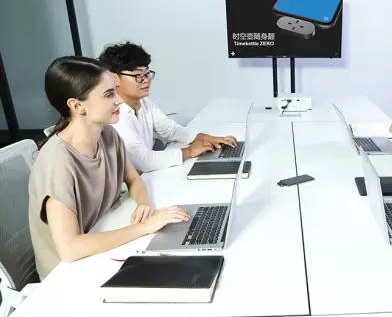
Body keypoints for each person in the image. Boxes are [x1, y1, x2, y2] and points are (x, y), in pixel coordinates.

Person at [29, 56, 190, 280]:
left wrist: (143, 204)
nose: (119, 100)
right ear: (77, 106)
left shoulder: (107, 134)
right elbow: (70, 249)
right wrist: (145, 227)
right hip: (68, 274)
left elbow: (133, 179)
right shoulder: (58, 161)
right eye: (108, 95)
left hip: (104, 242)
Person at [98, 42, 237, 173]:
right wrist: (189, 151)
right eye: (138, 76)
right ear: (115, 78)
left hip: (145, 176)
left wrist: (206, 139)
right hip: (123, 186)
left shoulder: (144, 102)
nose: (146, 80)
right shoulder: (114, 115)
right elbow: (144, 161)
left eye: (147, 73)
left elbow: (170, 130)